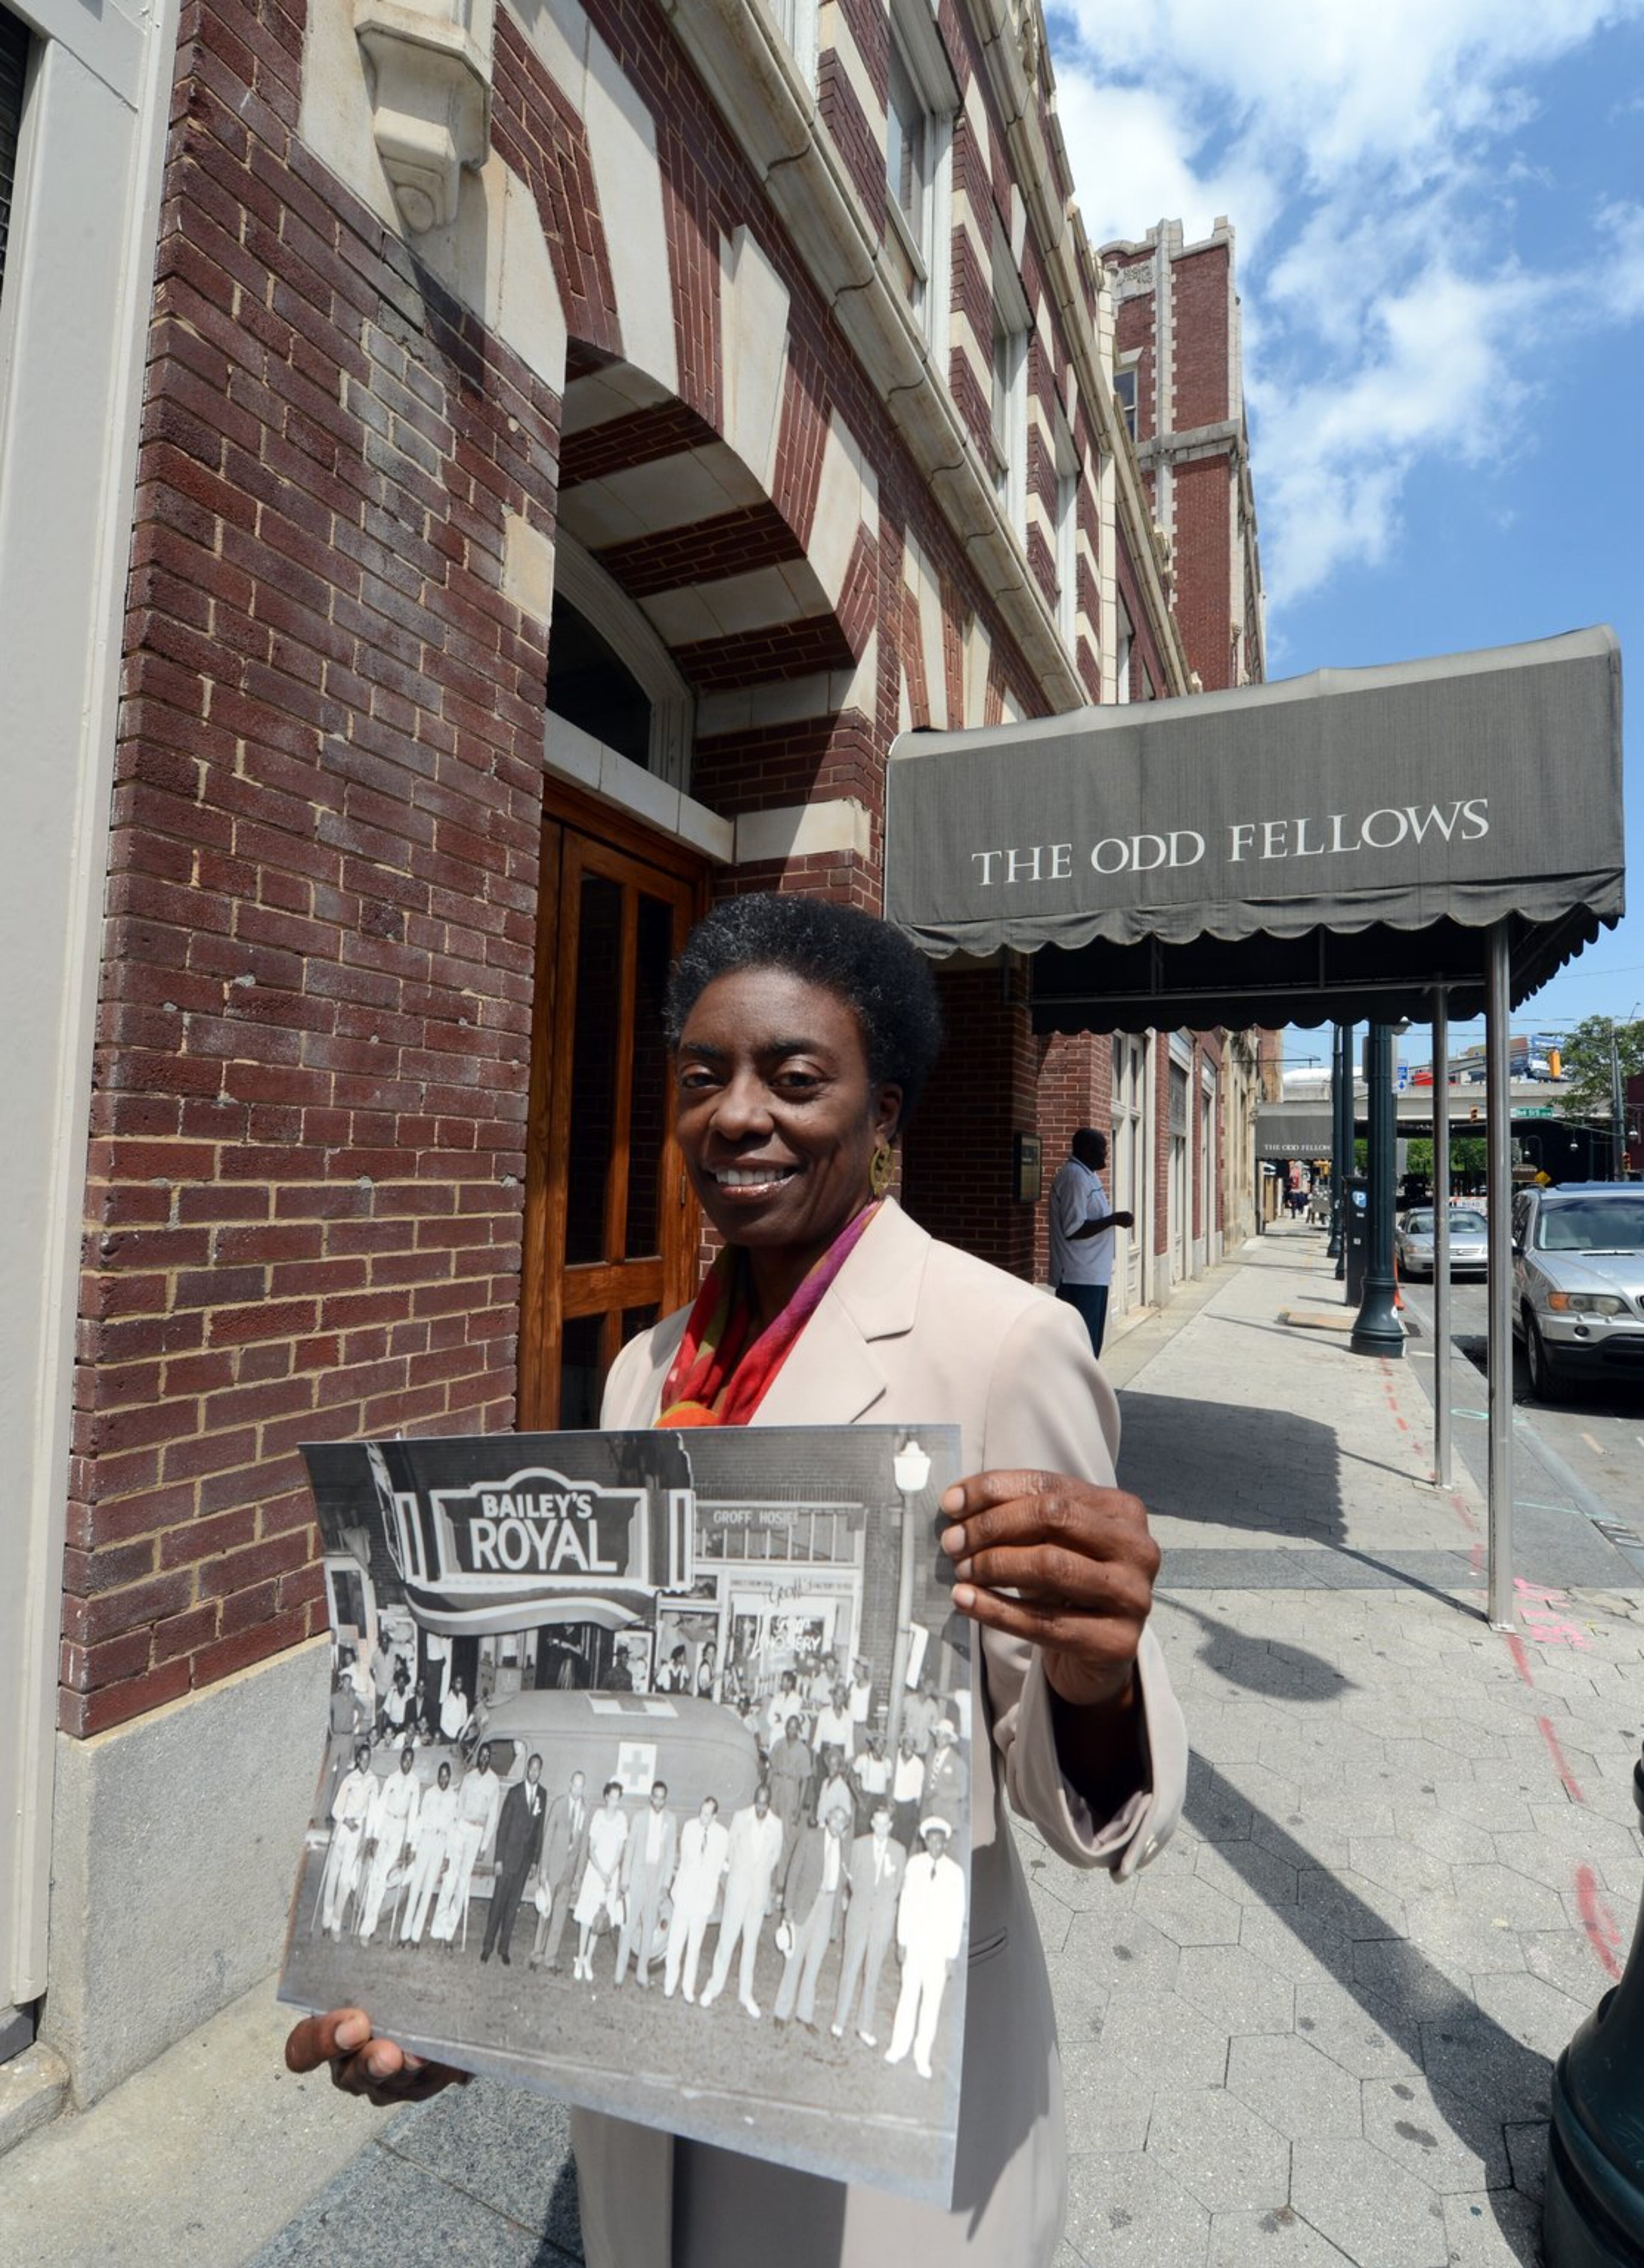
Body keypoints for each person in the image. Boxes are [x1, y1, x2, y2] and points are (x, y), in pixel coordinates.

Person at [289, 892, 1185, 2268]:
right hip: (652, 2099)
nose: (737, 1113)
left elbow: (1083, 1818)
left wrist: (1096, 1673)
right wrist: (470, 2008)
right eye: (701, 1077)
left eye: (794, 1075)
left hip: (891, 2097)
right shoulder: (650, 1366)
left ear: (881, 1111)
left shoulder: (999, 1342)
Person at [885, 1819, 966, 2081]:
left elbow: (957, 1916)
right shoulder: (914, 1865)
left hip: (939, 1950)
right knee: (908, 1997)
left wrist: (951, 1955)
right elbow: (906, 1906)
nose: (935, 1845)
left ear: (946, 1842)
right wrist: (902, 1942)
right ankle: (899, 2048)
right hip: (916, 1945)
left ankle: (922, 2056)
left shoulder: (955, 1874)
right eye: (930, 1840)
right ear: (924, 1841)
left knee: (931, 2005)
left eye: (940, 1841)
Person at [1048, 1126, 1134, 1358]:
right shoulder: (1075, 1178)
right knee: (1081, 1350)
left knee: (1092, 1346)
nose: (1106, 1154)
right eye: (1102, 1149)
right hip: (1079, 1277)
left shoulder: (1087, 1175)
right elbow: (1073, 1228)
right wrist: (1114, 1219)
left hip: (1093, 1275)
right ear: (1086, 1150)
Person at [700, 1782, 783, 2017]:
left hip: (757, 1894)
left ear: (770, 1803)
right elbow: (730, 1850)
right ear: (754, 1800)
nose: (761, 1808)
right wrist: (738, 1875)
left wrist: (761, 1880)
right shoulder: (740, 1818)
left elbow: (774, 1858)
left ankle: (746, 1994)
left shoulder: (777, 1826)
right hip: (738, 1889)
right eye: (758, 1803)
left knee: (751, 1945)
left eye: (765, 1805)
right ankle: (714, 1986)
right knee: (727, 1939)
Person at [831, 1801, 905, 2046]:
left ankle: (865, 2026)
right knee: (850, 1967)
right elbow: (852, 1878)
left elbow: (897, 1888)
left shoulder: (899, 1851)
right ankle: (839, 2021)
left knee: (872, 1972)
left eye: (886, 1825)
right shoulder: (859, 1846)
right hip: (859, 1914)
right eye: (877, 1824)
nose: (881, 1829)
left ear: (891, 1826)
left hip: (882, 1919)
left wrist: (882, 1906)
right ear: (872, 1823)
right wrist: (863, 1899)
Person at [772, 1809, 849, 2030]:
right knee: (794, 1960)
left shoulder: (844, 1848)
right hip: (806, 1905)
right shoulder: (810, 1837)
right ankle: (781, 2011)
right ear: (828, 1820)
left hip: (828, 1904)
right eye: (835, 1820)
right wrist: (788, 1908)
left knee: (815, 1963)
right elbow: (793, 1871)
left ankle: (805, 2015)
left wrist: (836, 1919)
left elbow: (843, 1882)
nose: (838, 1825)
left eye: (842, 1823)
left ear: (845, 1826)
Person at [430, 1742, 500, 1950]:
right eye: (482, 1755)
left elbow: (493, 1816)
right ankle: (438, 1930)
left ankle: (449, 1934)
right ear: (478, 1757)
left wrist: (484, 1844)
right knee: (450, 1880)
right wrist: (453, 1834)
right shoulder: (469, 1778)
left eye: (488, 1756)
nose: (484, 1759)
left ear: (491, 1758)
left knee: (462, 1884)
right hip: (460, 1829)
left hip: (476, 1833)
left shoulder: (494, 1782)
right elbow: (459, 1807)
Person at [481, 1752, 546, 1966]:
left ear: (540, 1772)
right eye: (532, 1769)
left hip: (525, 1862)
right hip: (508, 1858)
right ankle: (487, 1947)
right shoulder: (515, 1793)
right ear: (527, 1769)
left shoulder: (542, 1796)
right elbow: (503, 1828)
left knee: (513, 1906)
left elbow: (539, 1831)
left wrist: (535, 1861)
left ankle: (504, 1949)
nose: (535, 1773)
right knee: (498, 1903)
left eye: (538, 1770)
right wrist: (498, 1859)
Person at [664, 1796, 730, 2002]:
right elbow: (687, 1859)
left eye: (708, 1815)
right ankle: (669, 1985)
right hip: (684, 1896)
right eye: (701, 1812)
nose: (703, 1817)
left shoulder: (722, 1835)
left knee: (694, 1948)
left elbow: (719, 1865)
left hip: (702, 1900)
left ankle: (687, 1989)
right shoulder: (690, 1828)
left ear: (715, 1816)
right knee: (675, 1945)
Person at [616, 1781, 677, 1989]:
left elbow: (670, 1855)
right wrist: (625, 1879)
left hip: (657, 1879)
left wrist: (666, 1884)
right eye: (656, 1796)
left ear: (665, 1800)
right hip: (639, 1877)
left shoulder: (671, 1820)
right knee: (630, 1926)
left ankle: (642, 1973)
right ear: (650, 1798)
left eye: (662, 1797)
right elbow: (630, 1849)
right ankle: (619, 1974)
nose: (658, 1801)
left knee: (649, 1927)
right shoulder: (640, 1818)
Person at [529, 1769, 590, 1974]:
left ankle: (550, 1959)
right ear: (569, 1785)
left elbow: (583, 1847)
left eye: (582, 1787)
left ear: (584, 1789)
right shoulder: (559, 1805)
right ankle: (537, 1954)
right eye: (575, 1785)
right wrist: (544, 1868)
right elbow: (547, 1839)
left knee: (560, 1916)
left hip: (569, 1873)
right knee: (545, 1912)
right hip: (553, 1869)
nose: (578, 1790)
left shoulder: (585, 1811)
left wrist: (578, 1876)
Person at [357, 1745, 420, 1942]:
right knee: (375, 1874)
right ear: (400, 1760)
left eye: (411, 1761)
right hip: (385, 1825)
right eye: (405, 1760)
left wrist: (409, 1843)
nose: (407, 1764)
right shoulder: (392, 1779)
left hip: (400, 1830)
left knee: (385, 1876)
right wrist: (374, 1835)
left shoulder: (415, 1784)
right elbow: (380, 1807)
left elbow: (413, 1814)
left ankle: (368, 1928)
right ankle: (367, 1926)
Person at [572, 1781, 629, 1983]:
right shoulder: (598, 1816)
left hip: (610, 1877)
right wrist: (601, 1872)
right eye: (611, 1798)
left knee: (600, 1918)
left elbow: (620, 1851)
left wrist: (611, 1874)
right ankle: (579, 1959)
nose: (614, 1802)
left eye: (617, 1799)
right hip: (595, 1873)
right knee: (588, 1918)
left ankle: (588, 1959)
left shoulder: (622, 1819)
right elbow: (591, 1848)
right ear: (606, 1797)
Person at [317, 1742, 375, 1938]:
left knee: (344, 1880)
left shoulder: (373, 1782)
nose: (365, 1763)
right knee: (332, 1877)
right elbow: (335, 1810)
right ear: (358, 1759)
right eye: (362, 1758)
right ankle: (326, 1920)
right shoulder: (349, 1780)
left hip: (356, 1833)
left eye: (369, 1759)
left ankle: (336, 1923)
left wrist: (367, 1835)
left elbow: (373, 1811)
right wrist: (346, 1821)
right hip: (343, 1829)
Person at [400, 1760, 457, 1946]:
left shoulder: (453, 1798)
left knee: (427, 1891)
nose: (444, 1780)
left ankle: (416, 1937)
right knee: (416, 1887)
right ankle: (404, 1934)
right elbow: (420, 1821)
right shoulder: (430, 1794)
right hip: (425, 1840)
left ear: (450, 1777)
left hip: (440, 1843)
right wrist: (414, 1847)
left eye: (447, 1776)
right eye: (441, 1776)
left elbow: (451, 1828)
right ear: (437, 1777)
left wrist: (448, 1855)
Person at [765, 1714, 812, 1864]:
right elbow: (771, 1769)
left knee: (787, 1833)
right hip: (776, 1787)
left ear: (799, 1730)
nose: (791, 1730)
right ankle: (768, 1867)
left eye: (795, 1727)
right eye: (789, 1726)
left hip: (791, 1789)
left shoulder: (803, 1750)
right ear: (785, 1728)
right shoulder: (779, 1744)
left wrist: (799, 1808)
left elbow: (805, 1780)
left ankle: (781, 1877)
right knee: (771, 1828)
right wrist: (766, 1790)